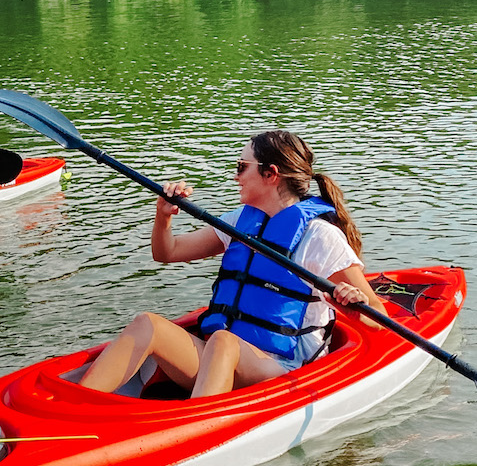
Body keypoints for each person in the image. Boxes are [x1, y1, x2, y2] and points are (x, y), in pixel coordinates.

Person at [79, 130, 388, 398]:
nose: (235, 176)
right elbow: (167, 252)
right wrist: (164, 214)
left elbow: (377, 315)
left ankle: (194, 431)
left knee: (225, 342)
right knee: (148, 324)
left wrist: (352, 303)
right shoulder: (239, 222)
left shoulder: (320, 237)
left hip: (282, 369)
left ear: (271, 174)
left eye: (242, 167)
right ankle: (76, 406)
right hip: (220, 356)